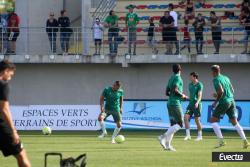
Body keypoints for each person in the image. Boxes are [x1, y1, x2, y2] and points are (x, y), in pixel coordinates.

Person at [0, 60, 31, 167]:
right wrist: (13, 131)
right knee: (22, 155)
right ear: (6, 70)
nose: (11, 76)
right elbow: (4, 109)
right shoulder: (3, 85)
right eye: (11, 73)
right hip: (2, 128)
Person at [210, 65, 249, 149]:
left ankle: (221, 141)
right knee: (235, 122)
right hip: (231, 101)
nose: (211, 73)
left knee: (213, 120)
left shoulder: (216, 79)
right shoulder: (226, 78)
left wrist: (215, 101)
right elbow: (232, 90)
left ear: (214, 71)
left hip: (224, 102)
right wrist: (223, 95)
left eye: (212, 71)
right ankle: (245, 141)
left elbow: (221, 91)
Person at [158, 64, 188, 151]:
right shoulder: (178, 78)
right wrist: (183, 96)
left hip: (169, 102)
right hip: (175, 103)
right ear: (180, 70)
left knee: (173, 125)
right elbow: (175, 89)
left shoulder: (171, 78)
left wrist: (176, 96)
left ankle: (168, 146)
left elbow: (167, 92)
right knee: (180, 124)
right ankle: (162, 137)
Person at [184, 72, 203, 141]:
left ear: (195, 77)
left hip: (197, 104)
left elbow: (199, 95)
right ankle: (188, 135)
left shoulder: (199, 85)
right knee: (185, 118)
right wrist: (186, 98)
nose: (190, 78)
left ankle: (200, 136)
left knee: (197, 120)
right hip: (190, 104)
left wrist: (197, 102)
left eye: (191, 77)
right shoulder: (190, 85)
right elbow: (192, 95)